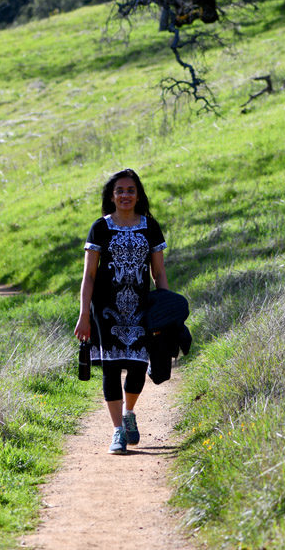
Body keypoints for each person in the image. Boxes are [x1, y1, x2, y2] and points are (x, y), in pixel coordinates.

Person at [74, 169, 168, 454]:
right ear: (111, 196)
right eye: (119, 191)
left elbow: (159, 273)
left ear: (138, 194)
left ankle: (129, 413)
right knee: (112, 368)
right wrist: (83, 315)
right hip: (105, 308)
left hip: (141, 308)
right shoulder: (100, 228)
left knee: (139, 366)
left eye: (130, 190)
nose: (125, 195)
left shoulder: (150, 227)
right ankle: (117, 431)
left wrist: (165, 308)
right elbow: (89, 276)